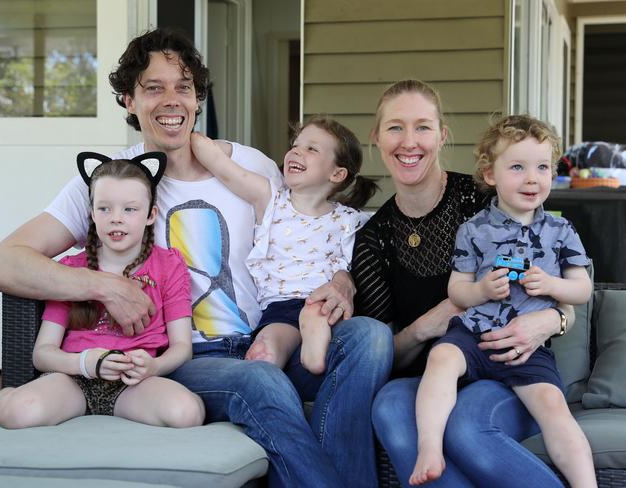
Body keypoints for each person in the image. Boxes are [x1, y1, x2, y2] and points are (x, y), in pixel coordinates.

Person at [0, 28, 392, 487]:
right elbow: (1, 264)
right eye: (153, 88)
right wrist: (106, 286)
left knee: (370, 338)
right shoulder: (113, 182)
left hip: (278, 338)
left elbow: (311, 233)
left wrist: (343, 281)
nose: (172, 100)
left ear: (198, 99)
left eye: (184, 87)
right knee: (260, 382)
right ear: (127, 102)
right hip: (189, 358)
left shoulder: (253, 167)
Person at [351, 79, 575, 487]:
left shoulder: (483, 197)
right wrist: (428, 324)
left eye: (422, 126)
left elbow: (561, 286)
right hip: (433, 376)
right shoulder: (374, 238)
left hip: (508, 365)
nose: (409, 141)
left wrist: (553, 321)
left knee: (467, 426)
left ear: (441, 136)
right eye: (395, 127)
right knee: (388, 407)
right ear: (377, 139)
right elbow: (384, 354)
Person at [410, 114, 595, 487]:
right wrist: (480, 291)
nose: (532, 178)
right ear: (490, 174)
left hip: (529, 349)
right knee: (441, 356)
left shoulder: (560, 230)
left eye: (543, 167)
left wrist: (551, 285)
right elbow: (457, 288)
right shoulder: (473, 229)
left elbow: (583, 289)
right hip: (475, 333)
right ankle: (429, 447)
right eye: (517, 167)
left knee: (554, 409)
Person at [0, 153, 205, 429]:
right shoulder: (71, 270)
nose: (116, 219)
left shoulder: (168, 266)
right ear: (91, 214)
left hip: (135, 385)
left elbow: (182, 347)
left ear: (151, 215)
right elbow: (42, 354)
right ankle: (4, 398)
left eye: (130, 209)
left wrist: (154, 367)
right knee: (19, 413)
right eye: (104, 209)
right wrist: (85, 363)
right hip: (74, 381)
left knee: (186, 413)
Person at [190, 117, 376, 374]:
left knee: (320, 316)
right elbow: (219, 163)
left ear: (337, 173)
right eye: (295, 145)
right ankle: (295, 357)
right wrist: (194, 138)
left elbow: (362, 268)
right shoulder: (270, 199)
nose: (296, 151)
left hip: (326, 304)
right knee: (266, 349)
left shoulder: (349, 220)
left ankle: (315, 344)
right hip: (281, 307)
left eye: (312, 149)